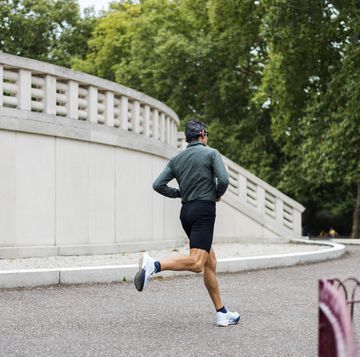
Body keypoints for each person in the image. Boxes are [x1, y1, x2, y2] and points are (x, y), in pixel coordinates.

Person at [134, 120, 240, 327]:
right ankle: (154, 265)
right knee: (197, 263)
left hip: (187, 212)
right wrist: (216, 194)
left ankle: (222, 313)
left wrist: (179, 193)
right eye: (206, 134)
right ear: (202, 134)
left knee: (210, 262)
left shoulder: (177, 159)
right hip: (204, 211)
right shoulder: (211, 153)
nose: (207, 137)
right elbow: (224, 180)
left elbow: (158, 185)